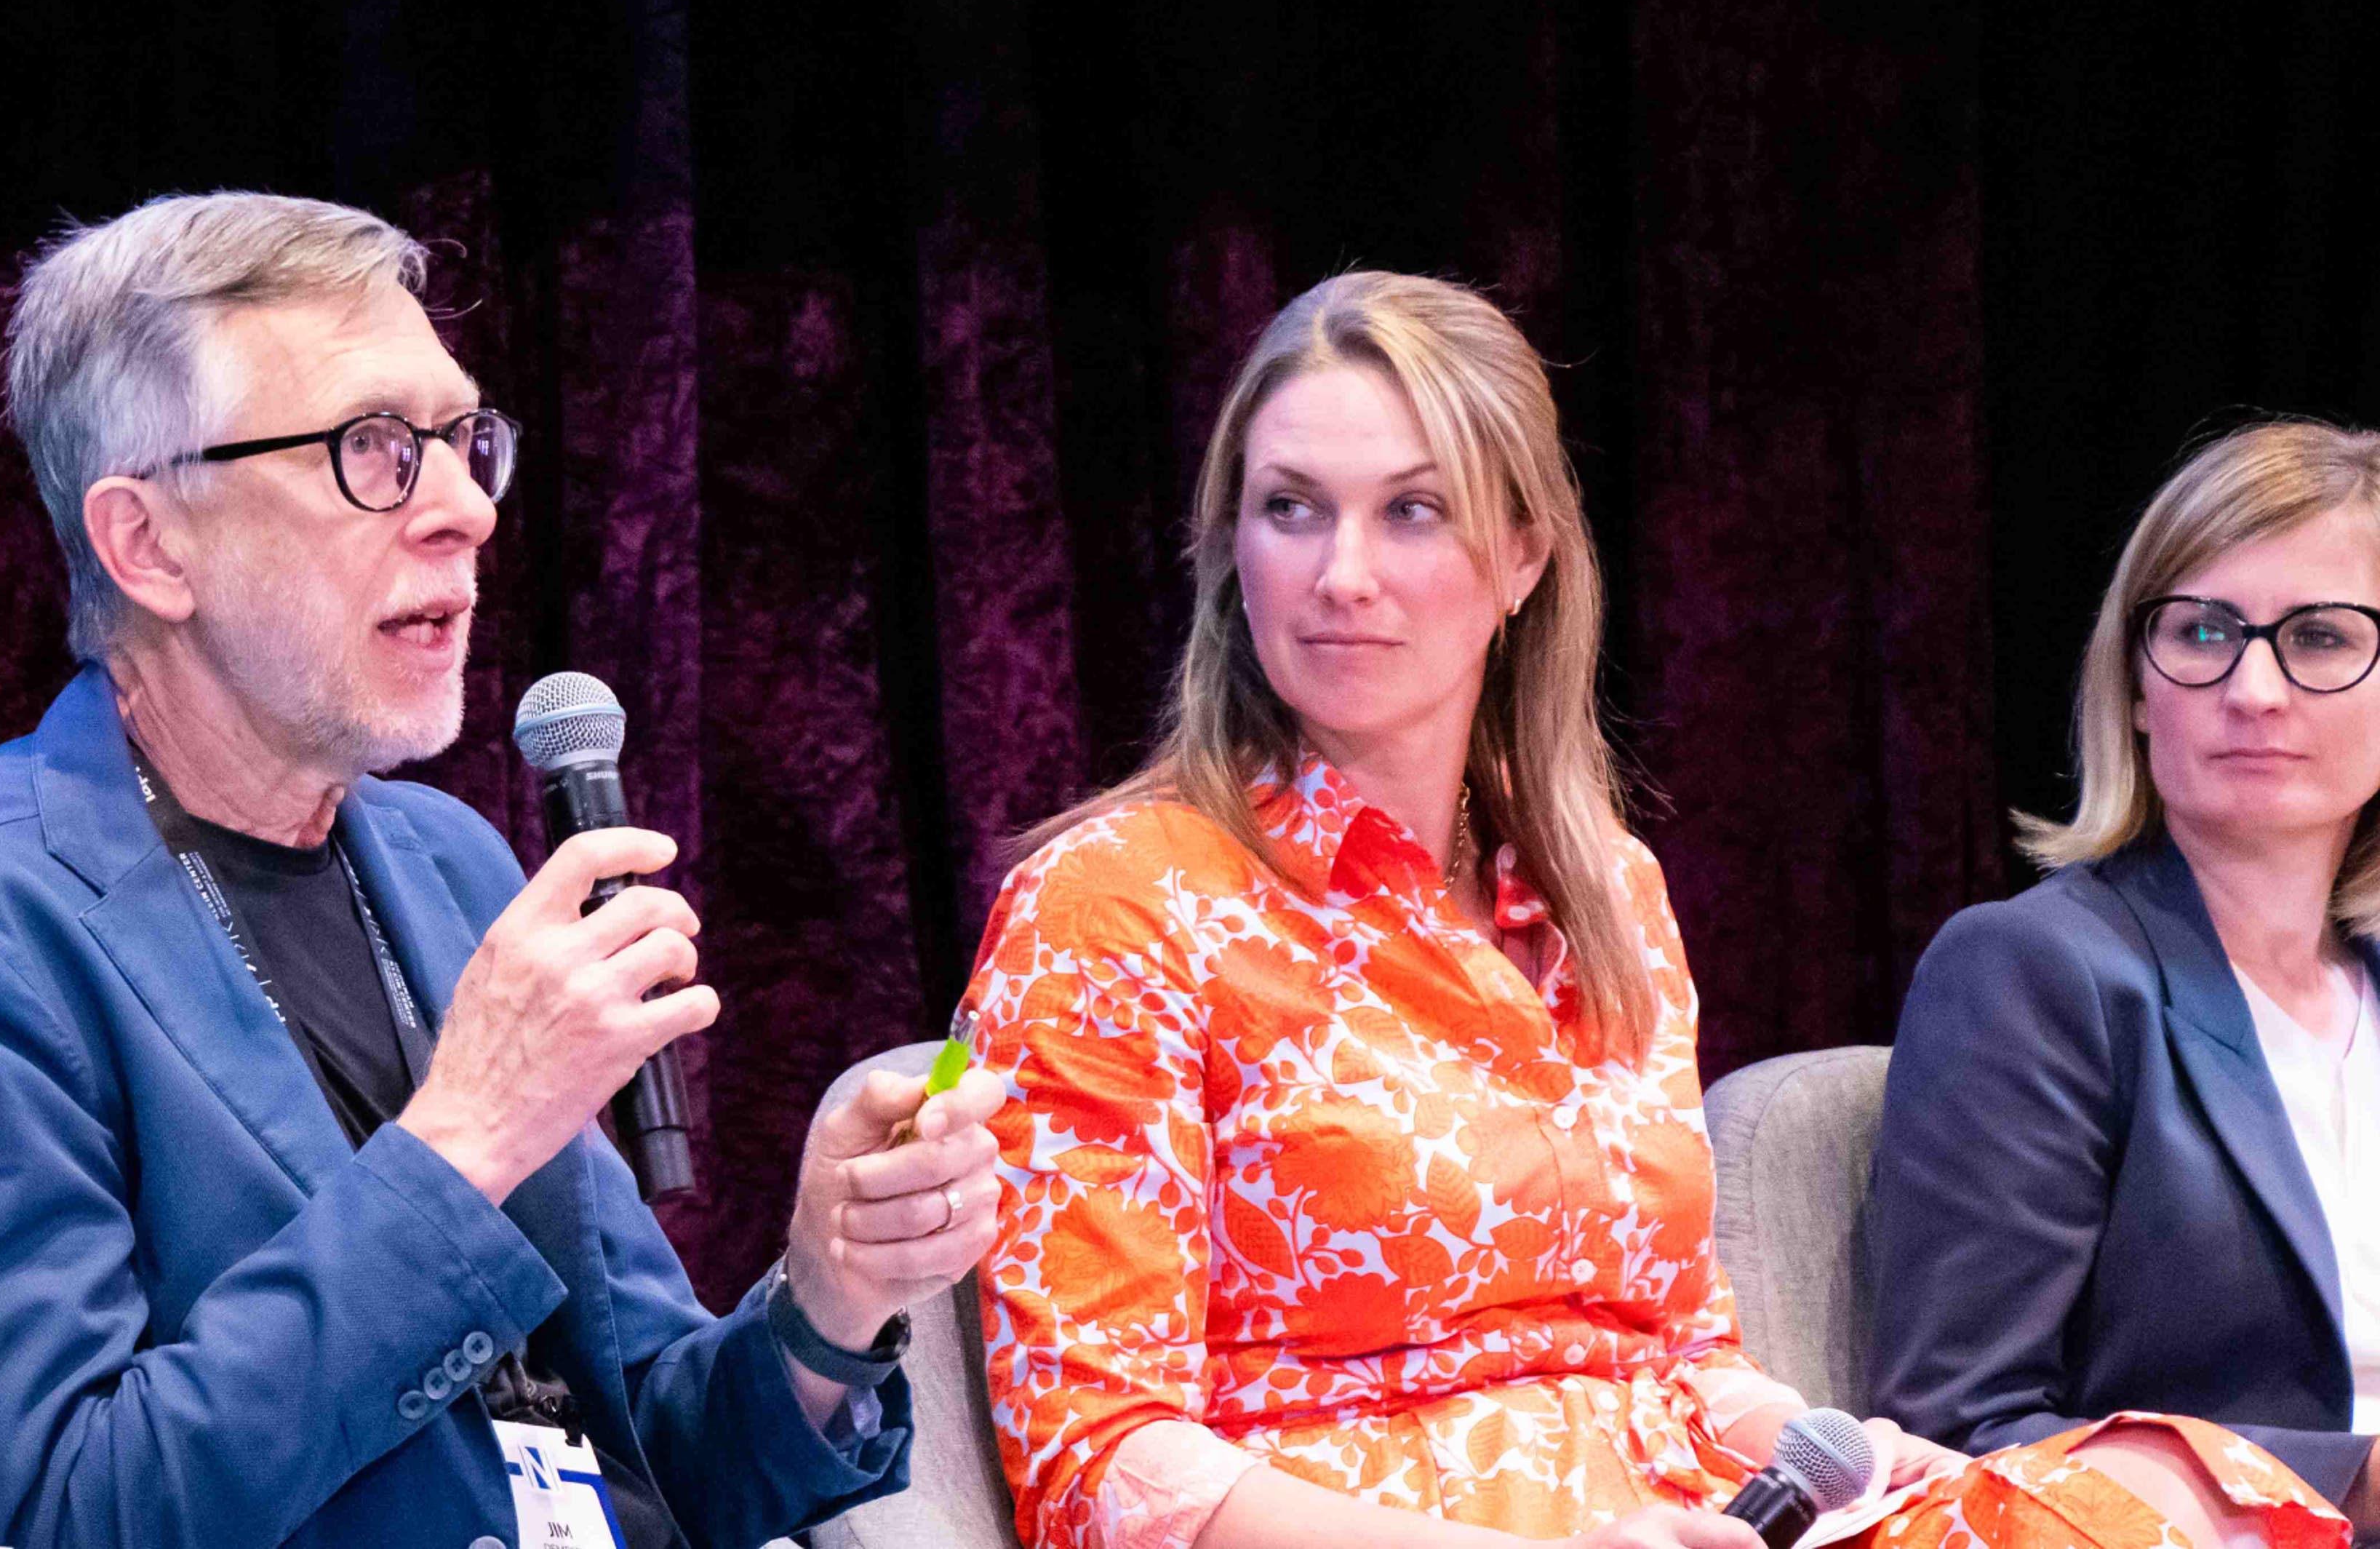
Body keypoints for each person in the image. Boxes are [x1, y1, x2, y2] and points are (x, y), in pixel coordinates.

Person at [957, 271, 2351, 1549]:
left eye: (1414, 509)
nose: (1345, 574)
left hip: (1687, 1522)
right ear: (1230, 548)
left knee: (2165, 1494)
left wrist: (1843, 1455)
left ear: (1522, 559)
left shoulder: (1603, 888)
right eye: (1292, 507)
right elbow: (1105, 1464)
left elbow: (1676, 1355)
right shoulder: (1117, 901)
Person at [0, 191, 1006, 1549]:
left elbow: (657, 1446)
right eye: (372, 449)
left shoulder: (448, 863)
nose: (464, 513)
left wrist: (827, 1304)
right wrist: (466, 1134)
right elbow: (74, 1512)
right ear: (148, 543)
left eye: (462, 441)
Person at [1874, 421, 2380, 1534]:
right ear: (2139, 687)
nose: (2254, 686)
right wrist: (2350, 1480)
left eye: (2323, 637)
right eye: (2202, 631)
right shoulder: (2032, 972)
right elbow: (1959, 1437)